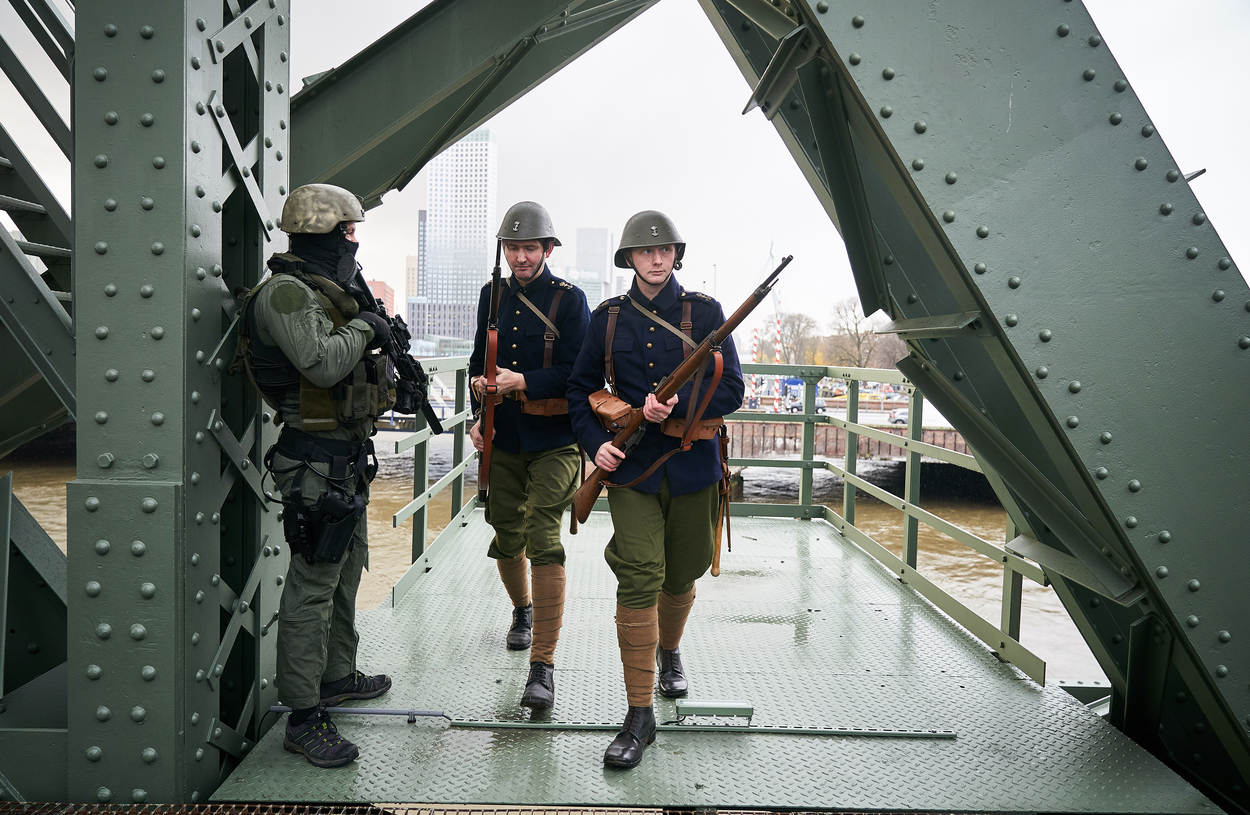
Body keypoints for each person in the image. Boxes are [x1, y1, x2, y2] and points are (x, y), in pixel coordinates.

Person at [566, 210, 744, 768]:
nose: (657, 259)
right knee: (640, 574)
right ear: (629, 259)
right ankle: (639, 713)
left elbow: (733, 390)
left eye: (665, 250)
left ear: (676, 256)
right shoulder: (608, 319)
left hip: (693, 465)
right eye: (646, 251)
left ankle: (669, 651)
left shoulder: (706, 312)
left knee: (683, 571)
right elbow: (579, 389)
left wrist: (677, 404)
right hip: (632, 470)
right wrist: (596, 446)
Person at [238, 183, 395, 768]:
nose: (353, 243)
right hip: (312, 462)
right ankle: (304, 716)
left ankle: (336, 676)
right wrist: (367, 327)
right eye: (348, 232)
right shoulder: (285, 293)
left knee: (347, 571)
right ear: (323, 232)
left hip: (343, 457)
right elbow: (321, 363)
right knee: (312, 585)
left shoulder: (326, 288)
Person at [468, 201, 591, 709]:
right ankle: (523, 609)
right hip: (504, 436)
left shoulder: (570, 300)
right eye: (513, 248)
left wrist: (524, 381)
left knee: (543, 536)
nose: (521, 257)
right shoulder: (491, 295)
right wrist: (477, 404)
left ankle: (543, 665)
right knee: (506, 534)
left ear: (548, 250)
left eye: (530, 248)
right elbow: (478, 360)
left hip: (555, 438)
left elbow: (581, 373)